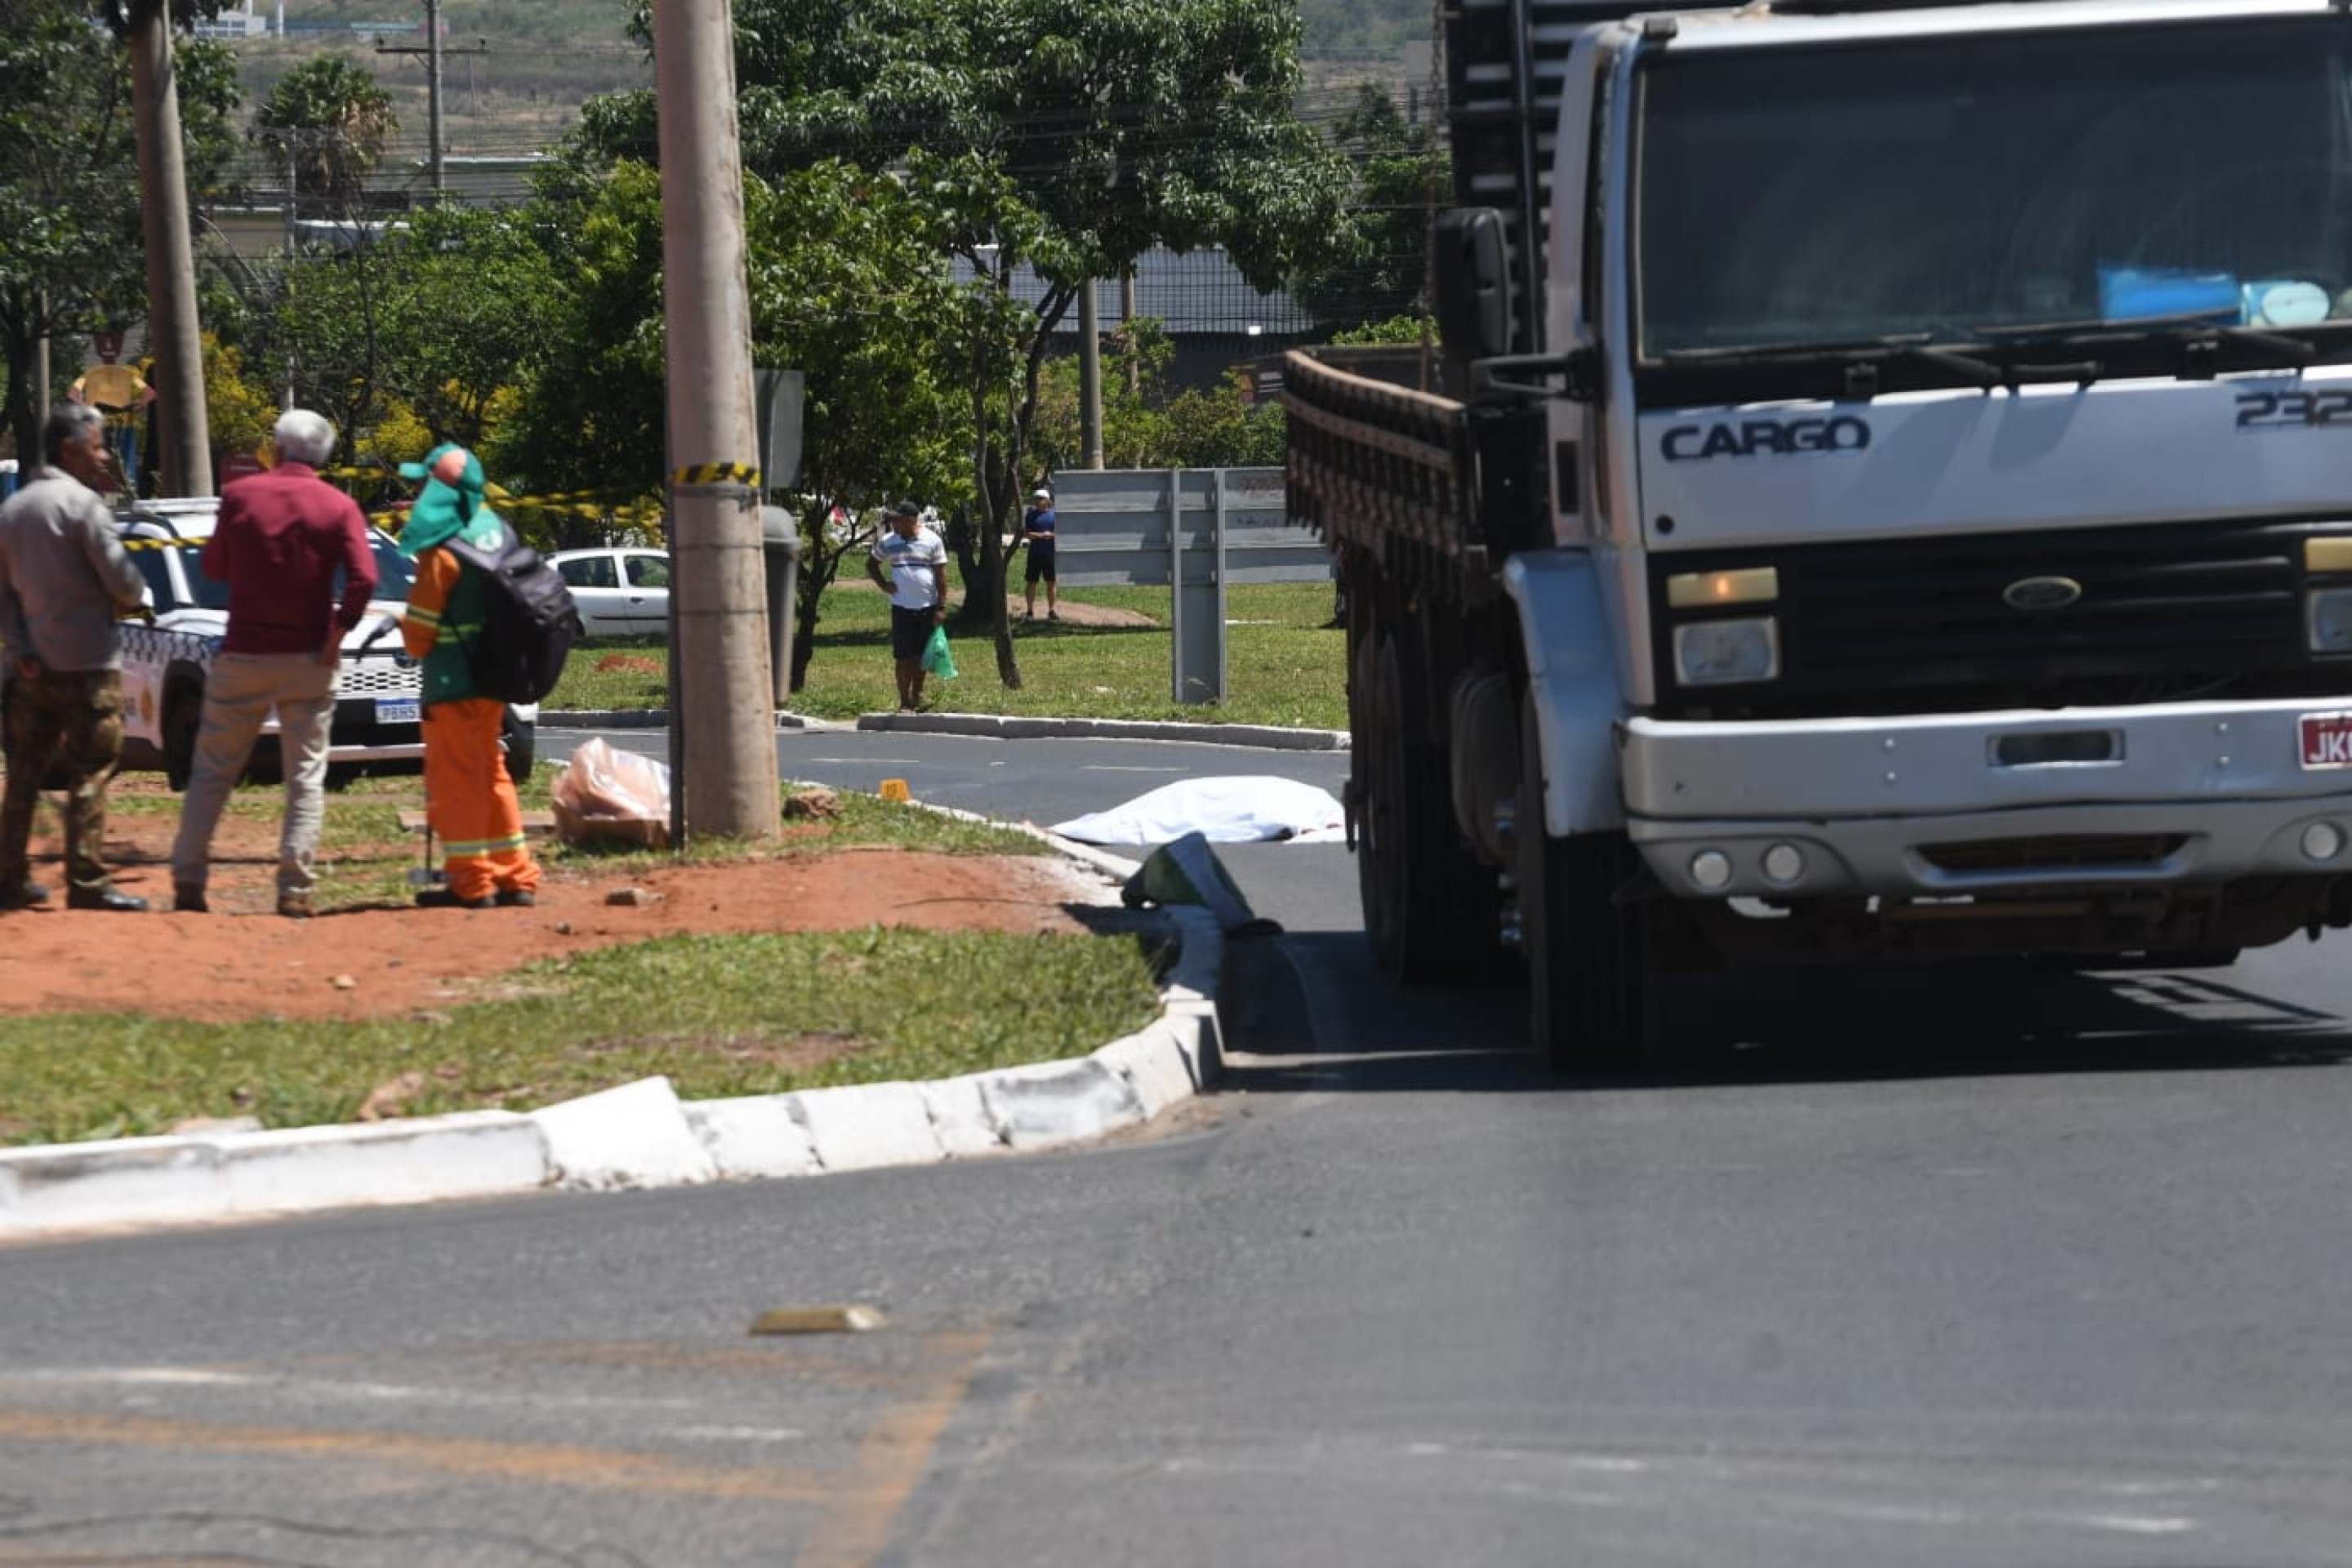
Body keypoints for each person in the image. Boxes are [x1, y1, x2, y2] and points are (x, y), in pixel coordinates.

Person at [169, 410, 376, 919]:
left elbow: (214, 566)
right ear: (323, 455)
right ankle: (295, 888)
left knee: (213, 770)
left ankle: (189, 880)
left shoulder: (242, 497)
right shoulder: (339, 505)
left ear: (277, 449)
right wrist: (337, 633)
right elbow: (365, 578)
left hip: (243, 653)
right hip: (309, 656)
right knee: (305, 774)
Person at [0, 404, 148, 911]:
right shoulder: (83, 506)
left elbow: (3, 596)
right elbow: (122, 580)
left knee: (23, 773)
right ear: (70, 449)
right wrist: (137, 598)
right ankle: (86, 882)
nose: (102, 455)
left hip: (31, 668)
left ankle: (8, 881)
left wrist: (21, 651)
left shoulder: (13, 510)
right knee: (92, 768)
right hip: (88, 665)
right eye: (97, 444)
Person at [396, 443, 541, 910]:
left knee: (456, 782)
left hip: (451, 685)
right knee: (493, 775)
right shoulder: (498, 531)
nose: (418, 492)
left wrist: (406, 625)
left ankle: (471, 883)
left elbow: (419, 638)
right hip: (493, 681)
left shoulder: (442, 549)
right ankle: (515, 877)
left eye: (425, 483)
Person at [866, 500, 951, 711]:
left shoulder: (932, 540)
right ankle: (904, 699)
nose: (893, 523)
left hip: (927, 607)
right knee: (903, 657)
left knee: (922, 656)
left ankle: (917, 696)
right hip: (901, 607)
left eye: (898, 519)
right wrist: (883, 584)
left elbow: (941, 576)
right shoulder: (889, 541)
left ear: (910, 520)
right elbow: (871, 563)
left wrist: (941, 607)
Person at [1022, 486, 1058, 622]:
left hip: (1050, 553)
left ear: (1047, 500)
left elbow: (1061, 533)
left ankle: (1052, 610)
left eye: (1041, 499)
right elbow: (1027, 533)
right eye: (1036, 499)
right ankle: (1030, 611)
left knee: (1051, 582)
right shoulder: (1031, 515)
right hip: (1035, 553)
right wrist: (1041, 535)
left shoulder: (1055, 515)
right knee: (1031, 582)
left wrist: (1051, 535)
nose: (1038, 501)